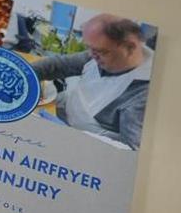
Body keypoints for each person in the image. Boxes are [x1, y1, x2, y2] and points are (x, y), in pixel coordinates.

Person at [32, 14, 153, 150]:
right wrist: (23, 73)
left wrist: (69, 135)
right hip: (66, 113)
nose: (91, 55)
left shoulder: (142, 94)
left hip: (85, 146)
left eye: (100, 51)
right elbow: (59, 65)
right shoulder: (98, 55)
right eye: (90, 48)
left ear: (130, 47)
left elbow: (128, 152)